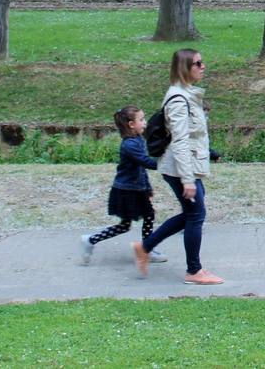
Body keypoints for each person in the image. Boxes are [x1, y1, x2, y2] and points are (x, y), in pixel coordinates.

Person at [133, 48, 223, 285]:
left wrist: (209, 155)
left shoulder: (187, 94)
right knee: (196, 216)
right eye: (198, 63)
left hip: (187, 166)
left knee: (193, 214)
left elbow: (194, 137)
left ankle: (145, 247)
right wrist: (187, 179)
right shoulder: (178, 99)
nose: (203, 66)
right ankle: (193, 271)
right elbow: (180, 141)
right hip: (180, 168)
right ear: (185, 68)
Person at [80, 106, 167, 266]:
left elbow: (140, 169)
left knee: (141, 219)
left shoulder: (138, 140)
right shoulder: (129, 145)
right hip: (126, 191)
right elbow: (145, 162)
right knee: (135, 221)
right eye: (141, 119)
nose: (145, 122)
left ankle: (91, 240)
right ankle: (146, 250)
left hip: (135, 189)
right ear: (131, 124)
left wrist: (147, 188)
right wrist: (166, 163)